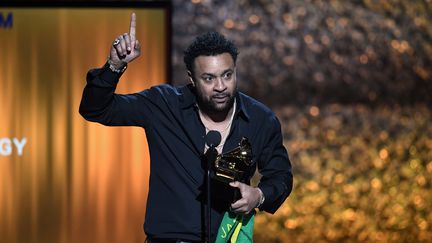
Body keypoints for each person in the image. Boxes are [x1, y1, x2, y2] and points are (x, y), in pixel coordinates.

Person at [79, 13, 293, 243]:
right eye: (209, 79)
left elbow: (280, 176)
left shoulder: (261, 119)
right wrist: (114, 65)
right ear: (192, 78)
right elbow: (95, 109)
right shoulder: (164, 104)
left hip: (226, 238)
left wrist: (259, 196)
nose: (220, 86)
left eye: (227, 75)